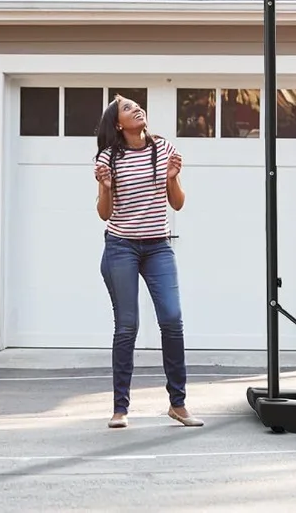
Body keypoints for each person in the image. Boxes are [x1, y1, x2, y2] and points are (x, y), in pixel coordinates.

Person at [94, 95, 203, 430]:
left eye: (136, 105)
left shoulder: (164, 148)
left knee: (172, 319)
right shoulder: (108, 157)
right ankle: (119, 408)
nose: (136, 109)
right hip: (121, 247)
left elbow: (178, 204)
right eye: (127, 108)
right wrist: (106, 186)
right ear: (118, 124)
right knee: (128, 326)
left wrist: (172, 177)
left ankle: (178, 404)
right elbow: (104, 214)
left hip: (158, 246)